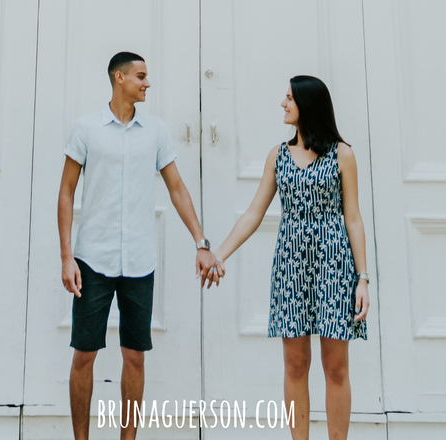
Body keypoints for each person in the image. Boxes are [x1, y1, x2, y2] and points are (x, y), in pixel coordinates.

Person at [59, 51, 222, 440]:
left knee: (134, 357)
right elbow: (66, 192)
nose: (148, 83)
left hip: (139, 261)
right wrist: (67, 257)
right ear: (120, 78)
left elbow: (177, 188)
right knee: (84, 355)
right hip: (92, 260)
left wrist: (201, 242)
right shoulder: (86, 129)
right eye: (141, 76)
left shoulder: (156, 131)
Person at [206, 75, 369, 440]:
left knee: (335, 367)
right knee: (295, 365)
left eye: (289, 98)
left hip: (334, 266)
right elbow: (253, 214)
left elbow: (354, 219)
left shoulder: (342, 154)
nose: (283, 103)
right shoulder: (277, 156)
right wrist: (219, 255)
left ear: (308, 105)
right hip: (291, 267)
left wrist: (363, 279)